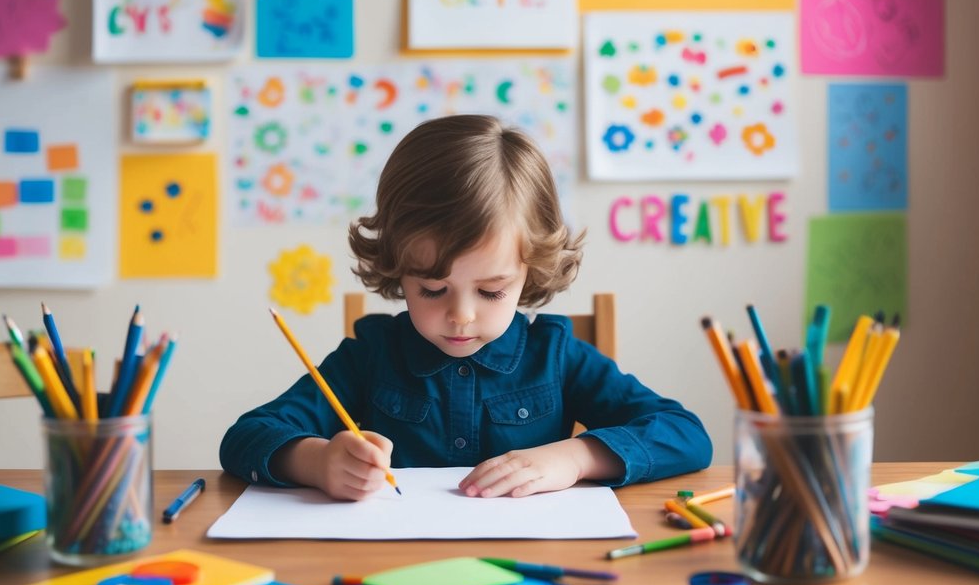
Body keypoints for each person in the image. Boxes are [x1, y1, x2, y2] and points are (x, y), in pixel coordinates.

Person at [220, 115, 712, 500]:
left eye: (492, 291)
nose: (461, 315)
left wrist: (576, 458)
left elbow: (687, 435)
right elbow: (246, 438)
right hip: (390, 564)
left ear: (529, 270)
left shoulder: (556, 356)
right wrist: (317, 461)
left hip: (530, 571)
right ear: (398, 268)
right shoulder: (370, 356)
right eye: (433, 290)